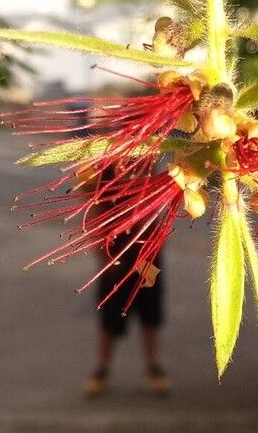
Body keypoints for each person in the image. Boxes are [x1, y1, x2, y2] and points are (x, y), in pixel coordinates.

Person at [82, 166, 171, 396]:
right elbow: (92, 209)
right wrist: (103, 255)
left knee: (150, 315)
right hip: (116, 257)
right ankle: (102, 369)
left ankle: (152, 367)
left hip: (147, 257)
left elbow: (160, 211)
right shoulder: (106, 173)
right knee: (110, 318)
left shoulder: (150, 168)